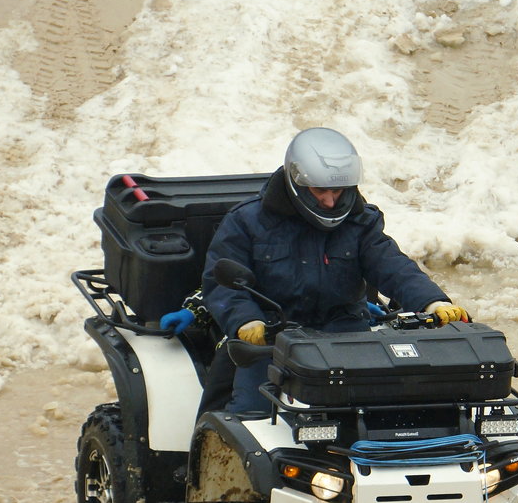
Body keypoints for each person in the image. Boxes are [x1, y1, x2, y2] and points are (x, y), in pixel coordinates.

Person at [201, 127, 469, 413]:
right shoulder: (246, 221)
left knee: (390, 411)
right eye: (320, 191)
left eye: (337, 191)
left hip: (346, 333)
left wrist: (432, 300)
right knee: (252, 415)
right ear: (297, 183)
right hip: (272, 337)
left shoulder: (360, 222)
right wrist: (246, 321)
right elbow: (223, 285)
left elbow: (392, 265)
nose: (330, 201)